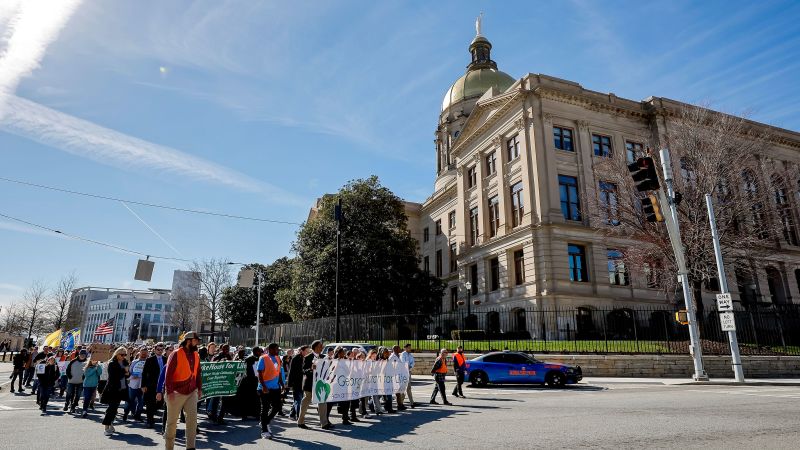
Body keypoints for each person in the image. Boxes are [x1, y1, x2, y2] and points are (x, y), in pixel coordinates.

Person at [164, 331, 203, 450]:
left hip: (192, 391)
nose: (197, 343)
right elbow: (168, 374)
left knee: (192, 421)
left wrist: (199, 388)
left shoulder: (196, 354)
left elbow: (198, 373)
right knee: (172, 423)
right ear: (189, 341)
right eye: (196, 340)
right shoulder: (176, 354)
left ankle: (191, 447)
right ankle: (169, 447)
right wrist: (169, 392)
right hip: (176, 393)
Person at [257, 342, 285, 440]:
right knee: (264, 408)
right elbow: (260, 373)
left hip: (276, 387)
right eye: (276, 349)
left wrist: (282, 384)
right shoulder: (263, 358)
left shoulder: (278, 358)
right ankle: (264, 430)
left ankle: (265, 421)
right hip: (265, 388)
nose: (278, 351)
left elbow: (279, 372)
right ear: (271, 349)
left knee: (277, 407)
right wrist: (264, 386)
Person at [101, 346, 130, 436]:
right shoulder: (112, 363)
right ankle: (106, 427)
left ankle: (111, 424)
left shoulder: (125, 362)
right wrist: (124, 372)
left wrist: (128, 373)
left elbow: (128, 375)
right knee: (111, 408)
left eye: (125, 355)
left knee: (115, 408)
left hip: (122, 388)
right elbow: (113, 376)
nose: (123, 356)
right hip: (113, 388)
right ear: (117, 354)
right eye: (122, 354)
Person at [297, 340, 324, 429]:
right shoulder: (308, 357)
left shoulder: (324, 357)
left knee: (322, 402)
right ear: (315, 347)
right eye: (320, 346)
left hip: (320, 384)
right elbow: (304, 370)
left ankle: (324, 423)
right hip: (309, 384)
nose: (322, 347)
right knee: (305, 403)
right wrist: (311, 369)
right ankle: (300, 421)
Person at [142, 342, 167, 428]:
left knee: (160, 402)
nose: (160, 351)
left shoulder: (166, 359)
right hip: (151, 384)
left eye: (161, 350)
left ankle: (153, 412)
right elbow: (144, 373)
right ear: (155, 350)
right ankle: (149, 420)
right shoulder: (150, 360)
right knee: (150, 403)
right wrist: (143, 385)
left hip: (162, 385)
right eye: (158, 349)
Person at [207, 343, 232, 424]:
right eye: (225, 349)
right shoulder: (217, 356)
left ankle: (220, 417)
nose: (226, 350)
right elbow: (212, 365)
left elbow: (232, 365)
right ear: (222, 349)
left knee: (225, 401)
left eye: (228, 349)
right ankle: (214, 416)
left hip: (225, 381)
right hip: (217, 381)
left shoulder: (229, 356)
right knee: (216, 400)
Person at [238, 346, 263, 421]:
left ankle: (256, 414)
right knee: (247, 399)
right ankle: (244, 415)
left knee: (256, 399)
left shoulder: (260, 359)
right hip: (249, 382)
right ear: (255, 351)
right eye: (258, 351)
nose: (260, 353)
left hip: (256, 381)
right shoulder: (249, 359)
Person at [287, 345, 308, 421]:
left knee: (298, 399)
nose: (307, 352)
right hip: (296, 382)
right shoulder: (295, 359)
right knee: (298, 400)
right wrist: (289, 384)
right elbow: (291, 371)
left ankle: (292, 414)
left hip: (303, 383)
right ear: (301, 351)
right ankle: (299, 416)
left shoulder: (307, 358)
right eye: (306, 351)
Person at [366, 349, 384, 415]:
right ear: (370, 355)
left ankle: (377, 409)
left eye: (375, 356)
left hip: (375, 380)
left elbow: (378, 371)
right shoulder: (368, 361)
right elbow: (370, 371)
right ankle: (362, 409)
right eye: (373, 355)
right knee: (369, 396)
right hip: (369, 381)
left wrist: (380, 364)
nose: (374, 357)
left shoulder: (374, 362)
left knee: (376, 395)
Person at [391, 345, 407, 411]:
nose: (400, 349)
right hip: (394, 376)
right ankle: (399, 405)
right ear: (395, 349)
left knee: (399, 392)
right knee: (397, 392)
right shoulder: (393, 357)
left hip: (398, 376)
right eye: (399, 348)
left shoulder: (398, 356)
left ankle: (400, 405)